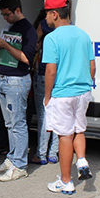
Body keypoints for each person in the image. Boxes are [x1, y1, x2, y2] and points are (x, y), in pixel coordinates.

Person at [42, 0, 95, 195]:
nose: (45, 18)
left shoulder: (52, 38)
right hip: (82, 92)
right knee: (79, 130)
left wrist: (48, 95)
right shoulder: (83, 35)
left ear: (55, 14)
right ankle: (81, 159)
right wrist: (87, 85)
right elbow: (92, 66)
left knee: (65, 136)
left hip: (62, 94)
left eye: (47, 13)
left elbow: (51, 71)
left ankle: (66, 181)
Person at [0, 0, 37, 182]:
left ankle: (20, 165)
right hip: (5, 79)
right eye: (3, 15)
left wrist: (5, 45)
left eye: (7, 14)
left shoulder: (28, 30)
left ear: (17, 10)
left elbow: (26, 58)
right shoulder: (12, 27)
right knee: (9, 124)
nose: (5, 18)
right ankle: (12, 158)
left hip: (17, 80)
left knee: (18, 123)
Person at [30, 11, 59, 165]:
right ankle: (53, 153)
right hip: (60, 76)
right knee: (58, 116)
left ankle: (41, 154)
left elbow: (34, 45)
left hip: (43, 73)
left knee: (44, 116)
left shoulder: (42, 25)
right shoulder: (65, 29)